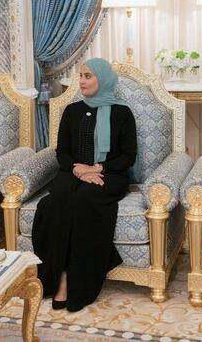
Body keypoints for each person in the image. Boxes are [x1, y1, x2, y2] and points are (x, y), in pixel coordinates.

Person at [31, 58, 136, 312]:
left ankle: (71, 279)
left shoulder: (122, 113)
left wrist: (97, 168)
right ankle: (56, 275)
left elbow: (128, 157)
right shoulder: (72, 111)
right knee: (55, 202)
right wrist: (79, 170)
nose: (82, 81)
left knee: (83, 201)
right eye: (80, 76)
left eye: (88, 76)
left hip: (110, 174)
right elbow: (63, 152)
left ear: (103, 79)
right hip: (74, 171)